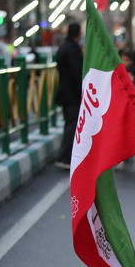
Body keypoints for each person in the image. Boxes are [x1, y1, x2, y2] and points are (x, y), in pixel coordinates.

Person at [54, 22, 84, 170]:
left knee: (70, 124)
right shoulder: (71, 49)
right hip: (71, 94)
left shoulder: (64, 47)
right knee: (72, 125)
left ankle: (67, 155)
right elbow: (75, 73)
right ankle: (65, 156)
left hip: (65, 92)